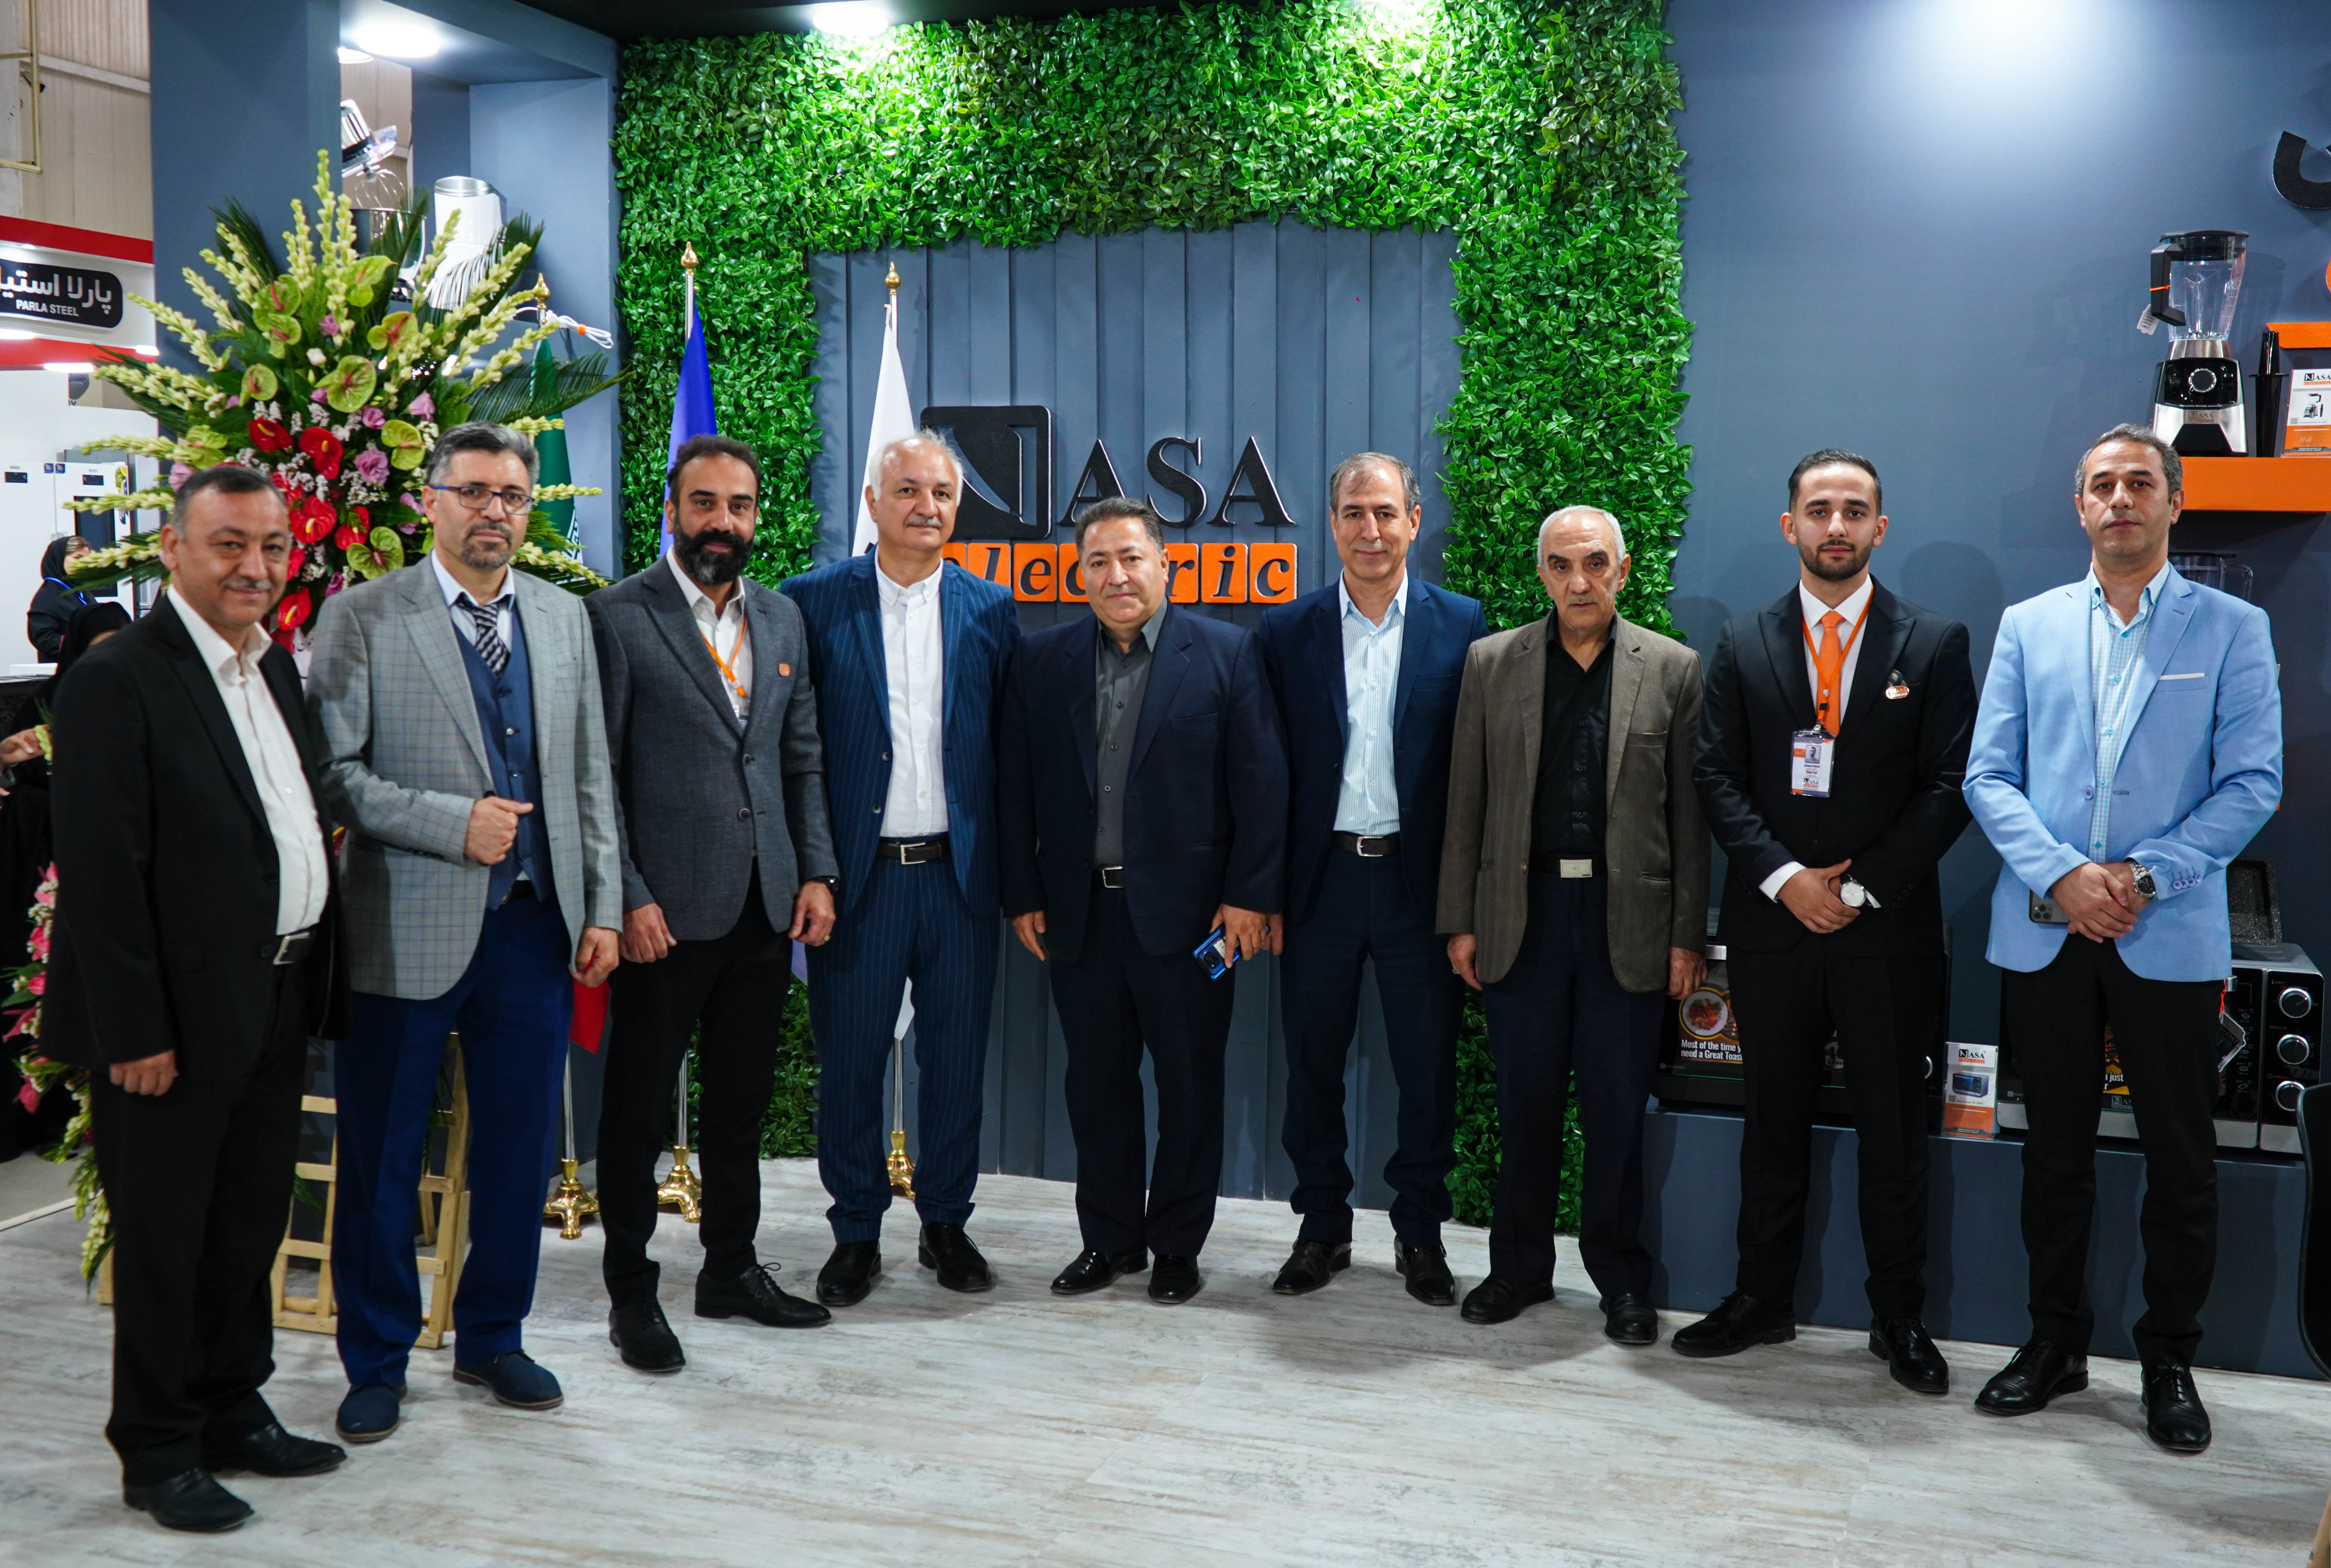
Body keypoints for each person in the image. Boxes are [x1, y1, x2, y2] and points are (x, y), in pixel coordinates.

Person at [1963, 425, 2280, 1453]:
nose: (2119, 499)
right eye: (2101, 484)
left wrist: (2143, 876)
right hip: (2048, 928)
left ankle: (2168, 1358)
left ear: (2173, 502)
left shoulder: (2232, 628)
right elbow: (1988, 775)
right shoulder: (2027, 626)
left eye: (2139, 482)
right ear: (2079, 506)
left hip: (2167, 928)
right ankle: (2053, 1343)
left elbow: (2253, 782)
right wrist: (2063, 875)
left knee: (2182, 1161)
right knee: (2051, 1152)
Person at [47, 465, 351, 1532]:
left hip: (273, 995)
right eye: (229, 543)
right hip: (168, 1023)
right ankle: (158, 1444)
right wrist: (134, 1029)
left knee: (244, 1222)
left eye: (272, 546)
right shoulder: (117, 678)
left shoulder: (272, 668)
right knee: (167, 1240)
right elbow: (100, 872)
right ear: (174, 548)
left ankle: (231, 1405)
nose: (254, 566)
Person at [308, 422, 622, 1442]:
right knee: (384, 1153)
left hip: (535, 932)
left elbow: (589, 774)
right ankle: (376, 1358)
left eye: (512, 496)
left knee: (520, 1152)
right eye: (475, 491)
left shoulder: (563, 618)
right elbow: (333, 774)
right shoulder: (362, 615)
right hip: (403, 928)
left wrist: (601, 905)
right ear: (431, 500)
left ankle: (493, 1336)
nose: (495, 511)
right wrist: (456, 825)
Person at [1681, 448, 1974, 1393]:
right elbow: (1715, 773)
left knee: (1894, 1131)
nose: (1835, 525)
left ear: (1879, 527)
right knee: (1770, 1124)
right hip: (1772, 928)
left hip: (1883, 932)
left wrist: (1852, 890)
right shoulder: (1742, 641)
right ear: (1790, 526)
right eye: (1818, 509)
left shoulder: (1933, 642)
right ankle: (1759, 1297)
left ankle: (1898, 1317)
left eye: (1853, 510)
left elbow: (1950, 786)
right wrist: (1784, 879)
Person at [586, 433, 839, 1371]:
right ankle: (631, 1292)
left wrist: (815, 872)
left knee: (739, 1108)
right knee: (637, 1116)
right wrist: (628, 895)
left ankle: (729, 1268)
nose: (721, 522)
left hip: (762, 908)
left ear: (755, 516)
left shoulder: (780, 619)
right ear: (673, 510)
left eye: (738, 505)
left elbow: (799, 758)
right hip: (660, 919)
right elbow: (597, 775)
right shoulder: (617, 616)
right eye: (704, 504)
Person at [997, 496, 1287, 1304]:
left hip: (1191, 922)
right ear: (1079, 573)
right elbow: (1014, 785)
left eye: (1131, 558)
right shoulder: (1041, 660)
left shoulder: (1227, 653)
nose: (1116, 575)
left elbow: (1262, 785)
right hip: (1078, 916)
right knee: (1096, 1088)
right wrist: (1022, 892)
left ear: (1165, 564)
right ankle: (1110, 1240)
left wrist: (1247, 897)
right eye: (1098, 561)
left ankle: (1177, 1247)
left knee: (1190, 1090)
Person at [1438, 507, 1708, 1339]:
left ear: (1622, 570)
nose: (1578, 581)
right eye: (1560, 565)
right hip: (1520, 916)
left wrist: (1685, 936)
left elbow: (1690, 817)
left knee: (1616, 1110)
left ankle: (1621, 1281)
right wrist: (1459, 918)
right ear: (1542, 574)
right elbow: (1465, 801)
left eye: (1594, 563)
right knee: (1523, 1105)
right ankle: (1518, 1269)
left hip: (1628, 923)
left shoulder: (1672, 668)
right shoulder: (1492, 663)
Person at [782, 431, 1020, 1306]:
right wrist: (813, 867)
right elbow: (794, 753)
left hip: (959, 880)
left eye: (943, 493)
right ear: (874, 503)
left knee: (952, 1062)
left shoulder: (991, 609)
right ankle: (855, 1232)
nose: (928, 506)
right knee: (849, 1062)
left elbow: (1009, 753)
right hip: (858, 883)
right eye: (909, 490)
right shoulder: (811, 602)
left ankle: (945, 1222)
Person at [1255, 453, 1486, 1306]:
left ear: (1413, 522)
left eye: (1386, 512)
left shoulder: (1462, 624)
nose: (1370, 529)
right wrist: (1266, 890)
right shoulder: (1287, 630)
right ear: (1332, 522)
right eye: (1354, 512)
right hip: (1318, 884)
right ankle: (1321, 1227)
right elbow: (1265, 774)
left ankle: (1419, 1233)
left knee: (1425, 1070)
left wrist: (1465, 902)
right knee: (1311, 1067)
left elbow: (1476, 770)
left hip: (1415, 889)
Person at [26, 532, 93, 663]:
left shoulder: (82, 592)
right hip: (62, 668)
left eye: (86, 560)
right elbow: (42, 636)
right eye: (78, 558)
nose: (83, 564)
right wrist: (76, 643)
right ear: (60, 558)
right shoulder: (47, 596)